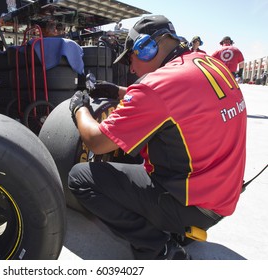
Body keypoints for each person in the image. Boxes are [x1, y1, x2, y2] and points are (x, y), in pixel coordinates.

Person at [68, 15, 246, 260]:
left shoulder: (157, 85)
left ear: (147, 47)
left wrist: (80, 109)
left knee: (80, 178)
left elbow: (96, 142)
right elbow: (185, 99)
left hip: (191, 205)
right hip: (223, 198)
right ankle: (178, 229)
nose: (131, 69)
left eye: (131, 58)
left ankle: (157, 247)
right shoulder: (208, 63)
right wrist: (122, 92)